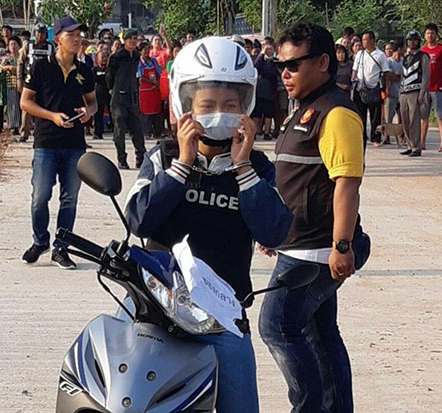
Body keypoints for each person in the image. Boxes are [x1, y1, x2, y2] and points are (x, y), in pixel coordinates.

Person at [125, 36, 292, 413]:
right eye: (208, 106)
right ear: (184, 105)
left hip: (222, 317)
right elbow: (139, 220)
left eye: (230, 105)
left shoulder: (257, 167)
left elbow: (275, 231)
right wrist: (181, 166)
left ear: (246, 106)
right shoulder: (163, 157)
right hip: (157, 308)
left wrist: (243, 168)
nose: (220, 114)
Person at [259, 22, 370, 413]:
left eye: (293, 65)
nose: (284, 74)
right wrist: (274, 226)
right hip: (299, 243)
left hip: (317, 250)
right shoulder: (305, 109)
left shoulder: (336, 114)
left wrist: (342, 245)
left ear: (323, 62)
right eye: (280, 66)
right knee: (321, 334)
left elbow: (346, 185)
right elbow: (297, 178)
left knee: (278, 326)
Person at [20, 16, 97, 269]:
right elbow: (25, 102)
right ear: (58, 39)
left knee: (69, 198)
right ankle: (40, 240)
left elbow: (93, 102)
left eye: (79, 35)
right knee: (40, 196)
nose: (76, 39)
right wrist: (51, 116)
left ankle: (61, 248)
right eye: (70, 35)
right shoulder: (41, 67)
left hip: (75, 143)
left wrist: (88, 112)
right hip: (46, 141)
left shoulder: (84, 70)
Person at [106, 28, 147, 169]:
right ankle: (122, 159)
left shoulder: (136, 55)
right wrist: (111, 89)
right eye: (130, 39)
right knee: (120, 130)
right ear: (125, 40)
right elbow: (109, 75)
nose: (133, 41)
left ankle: (141, 158)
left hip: (132, 95)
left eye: (135, 39)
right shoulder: (117, 57)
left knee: (137, 130)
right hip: (119, 97)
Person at [17, 23, 54, 142]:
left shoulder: (51, 46)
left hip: (46, 81)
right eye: (38, 32)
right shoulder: (28, 46)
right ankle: (24, 133)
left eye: (42, 33)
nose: (40, 35)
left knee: (45, 107)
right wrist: (19, 79)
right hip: (30, 79)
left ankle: (46, 132)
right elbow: (20, 63)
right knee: (27, 106)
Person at [352, 30, 389, 146]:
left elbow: (385, 72)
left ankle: (375, 138)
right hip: (360, 88)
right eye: (362, 40)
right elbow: (354, 70)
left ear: (372, 40)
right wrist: (353, 81)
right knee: (360, 115)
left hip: (374, 88)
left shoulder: (380, 55)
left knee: (375, 116)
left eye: (365, 40)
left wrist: (386, 88)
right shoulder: (360, 54)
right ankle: (361, 136)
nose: (363, 42)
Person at [399, 31, 430, 157]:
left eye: (414, 40)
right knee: (405, 119)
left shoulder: (423, 56)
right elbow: (402, 75)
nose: (411, 42)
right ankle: (409, 144)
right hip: (404, 91)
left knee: (414, 120)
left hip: (415, 91)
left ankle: (416, 147)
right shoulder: (405, 58)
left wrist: (422, 93)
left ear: (418, 42)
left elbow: (426, 76)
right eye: (409, 40)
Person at [421, 23, 442, 152]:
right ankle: (422, 142)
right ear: (424, 35)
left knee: (441, 116)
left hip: (438, 87)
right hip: (424, 88)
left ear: (436, 35)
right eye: (428, 33)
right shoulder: (422, 51)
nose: (430, 35)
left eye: (432, 33)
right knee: (423, 117)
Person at [252, 42, 279, 140]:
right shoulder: (261, 60)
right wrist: (261, 55)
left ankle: (267, 133)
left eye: (270, 49)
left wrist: (263, 73)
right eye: (266, 49)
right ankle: (253, 133)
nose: (268, 51)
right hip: (260, 91)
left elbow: (273, 73)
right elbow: (255, 68)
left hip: (270, 91)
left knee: (268, 114)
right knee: (257, 114)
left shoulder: (275, 61)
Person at [137, 42, 163, 140]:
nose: (147, 51)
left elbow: (159, 72)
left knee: (157, 111)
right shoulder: (139, 63)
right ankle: (146, 132)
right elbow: (140, 78)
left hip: (155, 90)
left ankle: (157, 133)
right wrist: (152, 82)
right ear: (140, 51)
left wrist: (157, 83)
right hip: (145, 91)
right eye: (145, 49)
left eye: (148, 49)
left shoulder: (153, 61)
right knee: (146, 113)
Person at [381, 41, 402, 140]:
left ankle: (402, 137)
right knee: (388, 117)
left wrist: (397, 76)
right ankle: (386, 137)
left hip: (402, 92)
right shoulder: (388, 61)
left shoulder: (404, 61)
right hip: (391, 92)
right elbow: (388, 76)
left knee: (402, 117)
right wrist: (398, 76)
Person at [1, 36, 22, 136]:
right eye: (11, 44)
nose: (13, 46)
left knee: (22, 106)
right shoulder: (7, 58)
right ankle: (14, 126)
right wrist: (9, 67)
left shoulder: (22, 57)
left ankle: (22, 125)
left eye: (15, 44)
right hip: (11, 85)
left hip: (22, 85)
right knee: (12, 107)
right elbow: (1, 68)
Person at [92, 51, 110, 140]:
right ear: (97, 59)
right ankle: (98, 133)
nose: (104, 59)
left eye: (105, 57)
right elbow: (94, 80)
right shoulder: (94, 69)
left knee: (114, 114)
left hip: (109, 94)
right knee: (98, 114)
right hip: (98, 94)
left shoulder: (110, 69)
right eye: (102, 57)